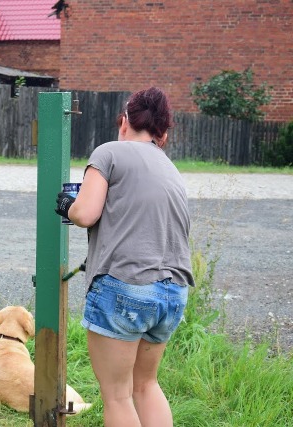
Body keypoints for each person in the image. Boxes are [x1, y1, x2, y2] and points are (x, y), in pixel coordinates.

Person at [54, 87, 194, 427]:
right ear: (161, 131)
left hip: (126, 288)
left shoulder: (110, 152)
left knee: (116, 395)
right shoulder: (169, 166)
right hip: (173, 292)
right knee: (145, 385)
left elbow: (86, 213)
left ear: (126, 120)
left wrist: (66, 205)